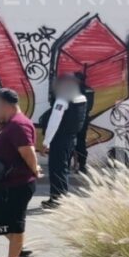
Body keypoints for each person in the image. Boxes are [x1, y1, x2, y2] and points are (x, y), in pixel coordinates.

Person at [0, 88, 42, 257]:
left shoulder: (19, 124)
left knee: (15, 225)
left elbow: (28, 152)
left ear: (4, 105)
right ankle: (21, 251)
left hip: (16, 185)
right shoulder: (10, 124)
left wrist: (35, 170)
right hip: (2, 186)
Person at [40, 74, 87, 210]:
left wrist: (46, 142)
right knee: (63, 169)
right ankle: (62, 197)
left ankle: (56, 199)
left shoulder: (62, 99)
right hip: (71, 138)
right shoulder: (81, 97)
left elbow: (54, 121)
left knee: (57, 169)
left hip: (59, 139)